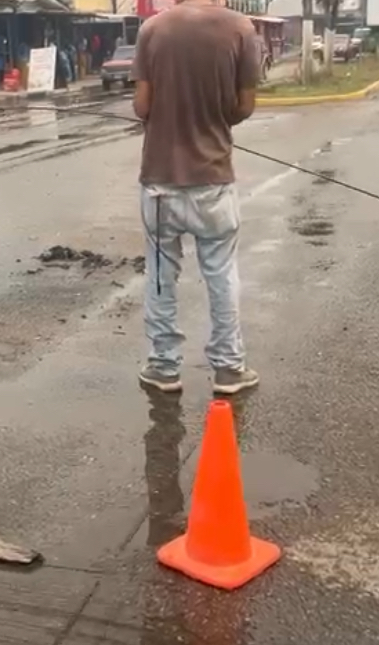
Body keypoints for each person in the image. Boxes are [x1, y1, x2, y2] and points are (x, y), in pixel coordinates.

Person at [131, 0, 262, 395]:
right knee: (221, 275)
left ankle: (163, 366)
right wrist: (216, 118)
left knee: (160, 277)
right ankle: (229, 368)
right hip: (213, 180)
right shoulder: (241, 29)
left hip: (159, 183)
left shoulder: (152, 29)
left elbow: (141, 106)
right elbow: (244, 106)